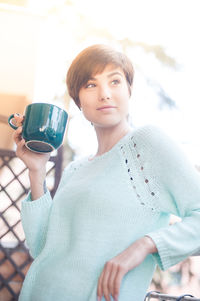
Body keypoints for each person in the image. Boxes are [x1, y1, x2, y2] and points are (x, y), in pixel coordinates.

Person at [13, 44, 200, 301]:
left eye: (115, 81)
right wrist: (37, 170)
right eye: (90, 85)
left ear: (129, 91)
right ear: (78, 102)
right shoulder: (76, 169)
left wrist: (145, 245)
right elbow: (42, 247)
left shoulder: (148, 144)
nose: (105, 94)